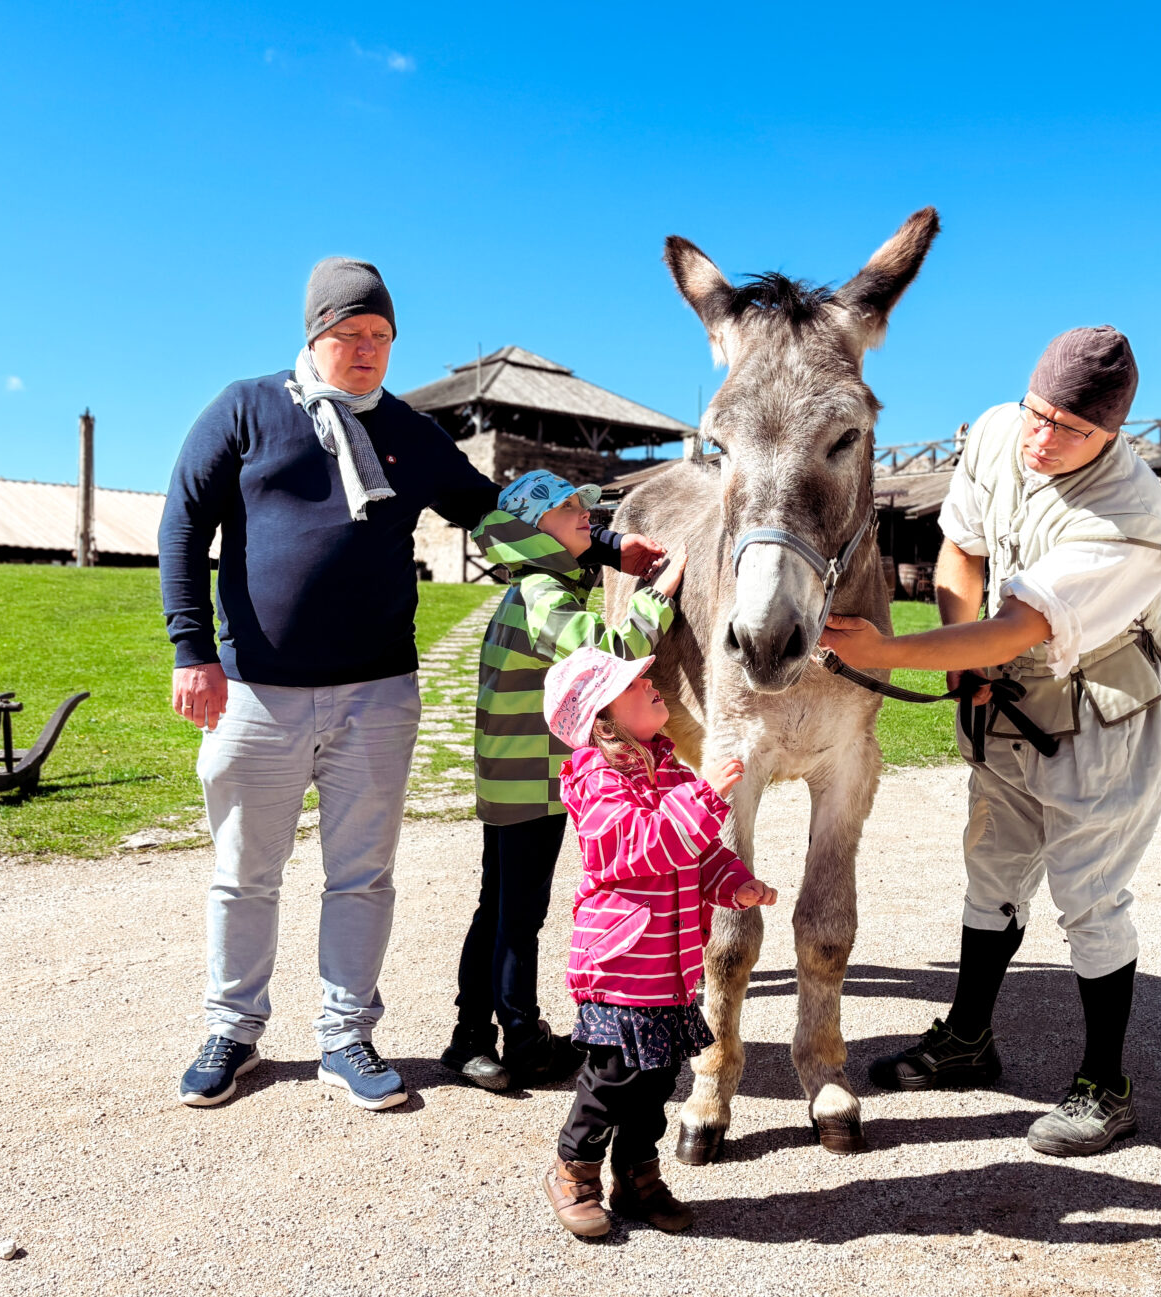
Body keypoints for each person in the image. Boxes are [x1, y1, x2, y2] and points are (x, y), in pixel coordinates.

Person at [156, 258, 660, 1112]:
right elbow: (182, 524)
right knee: (246, 873)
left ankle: (346, 1035)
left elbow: (494, 510)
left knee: (362, 874)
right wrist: (190, 650)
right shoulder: (244, 408)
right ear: (313, 335)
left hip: (377, 695)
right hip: (256, 692)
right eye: (350, 335)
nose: (367, 351)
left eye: (382, 337)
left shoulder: (412, 432)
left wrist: (610, 549)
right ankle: (232, 1030)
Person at [819, 325, 1161, 1157]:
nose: (1042, 440)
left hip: (1105, 714)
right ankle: (969, 1040)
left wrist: (887, 653)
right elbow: (963, 546)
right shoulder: (995, 432)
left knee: (1089, 896)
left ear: (1113, 433)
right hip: (1007, 691)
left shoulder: (1131, 518)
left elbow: (1020, 622)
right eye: (1038, 414)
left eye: (1070, 430)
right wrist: (959, 655)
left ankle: (1106, 1086)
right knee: (990, 873)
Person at [441, 471, 683, 1091]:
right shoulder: (541, 593)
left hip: (516, 778)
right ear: (529, 528)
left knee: (498, 909)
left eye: (582, 504)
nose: (583, 514)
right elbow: (604, 654)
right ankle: (522, 1039)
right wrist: (659, 596)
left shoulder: (536, 588)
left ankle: (470, 1038)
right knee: (519, 916)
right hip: (529, 782)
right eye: (565, 508)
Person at [537, 648, 778, 1236]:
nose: (650, 682)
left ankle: (637, 1175)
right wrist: (706, 797)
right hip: (620, 967)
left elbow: (698, 853)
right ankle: (574, 1171)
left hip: (670, 970)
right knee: (615, 1075)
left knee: (657, 1079)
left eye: (643, 675)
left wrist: (733, 882)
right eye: (633, 683)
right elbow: (638, 850)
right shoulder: (595, 779)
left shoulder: (668, 769)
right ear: (603, 717)